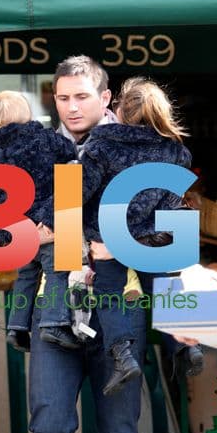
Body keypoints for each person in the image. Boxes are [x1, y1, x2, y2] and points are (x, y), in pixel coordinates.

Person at [27, 56, 145, 433]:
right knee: (49, 428)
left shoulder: (135, 151)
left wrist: (113, 243)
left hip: (120, 304)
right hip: (54, 307)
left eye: (82, 96)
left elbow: (167, 229)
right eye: (63, 98)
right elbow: (22, 244)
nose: (72, 107)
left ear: (106, 96)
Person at [81, 76, 192, 395]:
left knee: (109, 293)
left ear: (119, 110)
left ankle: (122, 356)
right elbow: (173, 205)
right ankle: (184, 346)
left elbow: (80, 192)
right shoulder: (174, 150)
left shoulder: (101, 145)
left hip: (108, 237)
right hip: (155, 240)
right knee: (165, 289)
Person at [0, 90, 78, 352]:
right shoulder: (41, 140)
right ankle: (54, 323)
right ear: (26, 114)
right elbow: (69, 152)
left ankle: (17, 326)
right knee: (58, 272)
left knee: (26, 276)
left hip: (17, 233)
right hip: (48, 224)